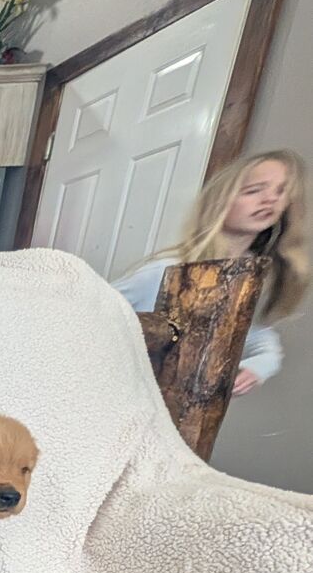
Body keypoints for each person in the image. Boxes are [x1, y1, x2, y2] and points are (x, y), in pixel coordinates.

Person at [114, 149, 307, 395]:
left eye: (281, 192)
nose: (269, 199)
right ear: (220, 202)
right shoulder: (165, 271)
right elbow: (92, 309)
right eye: (253, 190)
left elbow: (257, 334)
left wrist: (260, 365)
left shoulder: (250, 280)